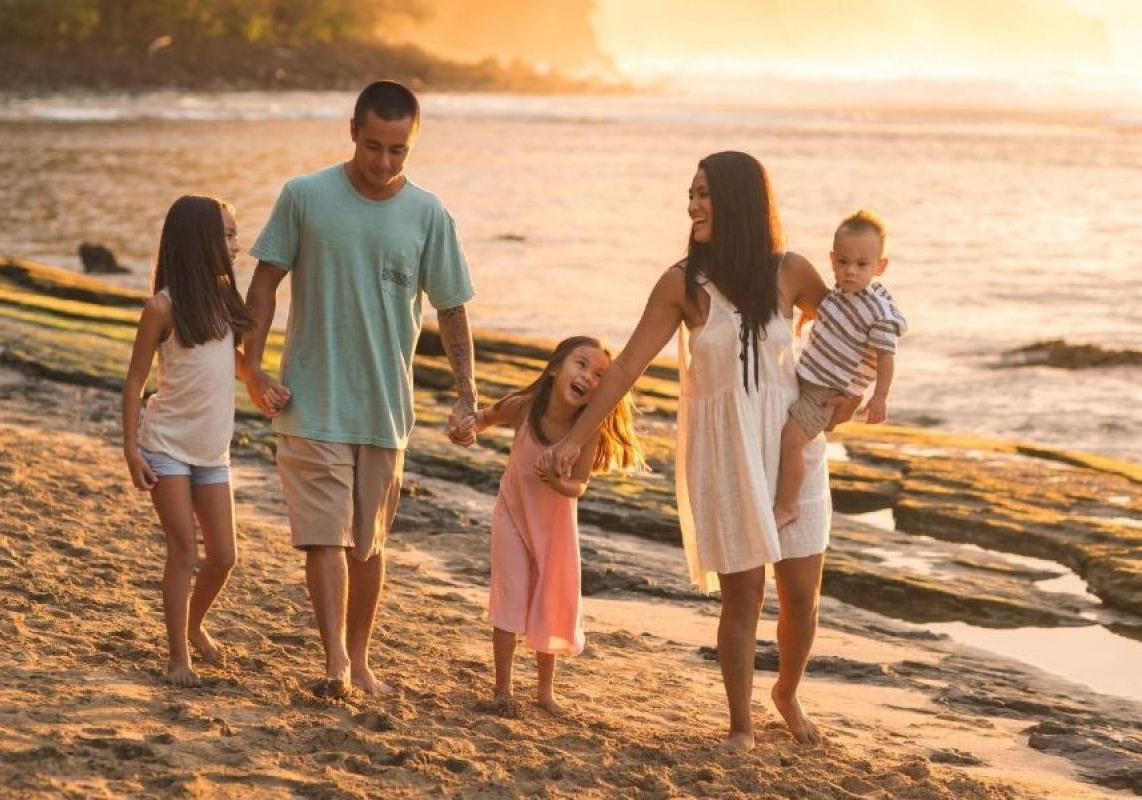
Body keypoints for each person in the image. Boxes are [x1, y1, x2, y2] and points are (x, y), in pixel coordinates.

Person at [538, 152, 858, 750]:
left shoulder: (790, 271)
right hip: (727, 457)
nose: (693, 205)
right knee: (743, 597)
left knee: (801, 599)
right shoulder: (681, 284)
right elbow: (628, 365)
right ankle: (740, 724)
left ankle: (786, 691)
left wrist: (846, 395)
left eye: (705, 194)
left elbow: (847, 324)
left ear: (738, 200)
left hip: (793, 450)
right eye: (691, 193)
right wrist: (574, 440)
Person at [241, 80, 477, 698]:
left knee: (368, 547)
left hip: (384, 407)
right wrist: (253, 365)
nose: (383, 162)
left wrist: (467, 395)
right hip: (309, 400)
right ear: (352, 131)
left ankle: (362, 657)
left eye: (398, 150)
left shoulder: (429, 214)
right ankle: (335, 664)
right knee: (326, 537)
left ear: (413, 143)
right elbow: (265, 281)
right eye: (374, 146)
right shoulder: (305, 197)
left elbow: (452, 310)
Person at [122, 195, 281, 686]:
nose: (237, 245)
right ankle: (176, 658)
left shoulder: (222, 301)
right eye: (228, 235)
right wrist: (131, 449)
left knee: (225, 557)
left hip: (213, 452)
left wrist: (259, 381)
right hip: (166, 445)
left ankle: (194, 625)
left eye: (235, 234)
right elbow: (134, 381)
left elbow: (229, 360)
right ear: (199, 241)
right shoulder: (161, 307)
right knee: (184, 552)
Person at [462, 336, 645, 713]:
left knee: (549, 604)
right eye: (581, 365)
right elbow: (485, 418)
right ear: (554, 368)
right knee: (509, 600)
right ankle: (503, 690)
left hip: (555, 533)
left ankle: (544, 692)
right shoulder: (525, 408)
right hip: (512, 516)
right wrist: (466, 428)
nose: (588, 378)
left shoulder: (585, 431)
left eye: (599, 376)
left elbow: (578, 486)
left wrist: (557, 482)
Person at [773, 210, 907, 529]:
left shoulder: (878, 313)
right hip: (805, 379)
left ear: (880, 267)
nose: (850, 271)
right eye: (843, 262)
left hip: (825, 394)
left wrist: (879, 397)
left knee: (790, 443)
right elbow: (833, 314)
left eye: (862, 265)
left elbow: (886, 356)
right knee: (782, 437)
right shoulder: (840, 292)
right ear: (832, 259)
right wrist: (814, 317)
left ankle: (787, 506)